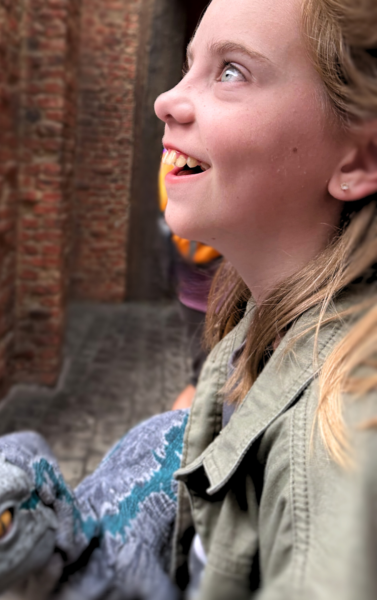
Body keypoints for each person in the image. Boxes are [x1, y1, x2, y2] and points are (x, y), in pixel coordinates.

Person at [154, 0, 377, 597]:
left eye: (231, 71)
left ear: (359, 158)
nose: (166, 100)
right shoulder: (262, 313)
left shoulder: (333, 452)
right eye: (190, 63)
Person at [159, 152, 223, 410]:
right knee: (202, 384)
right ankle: (180, 444)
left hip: (191, 292)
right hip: (212, 294)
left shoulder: (174, 160)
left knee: (202, 380)